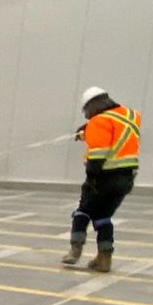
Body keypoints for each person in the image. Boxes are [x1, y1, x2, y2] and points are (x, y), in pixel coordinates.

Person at [64, 86, 141, 273]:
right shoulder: (131, 116)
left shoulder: (99, 121)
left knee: (82, 212)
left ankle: (75, 250)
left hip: (104, 177)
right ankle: (104, 258)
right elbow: (114, 136)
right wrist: (86, 133)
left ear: (91, 106)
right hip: (126, 179)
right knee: (103, 217)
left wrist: (91, 180)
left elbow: (98, 156)